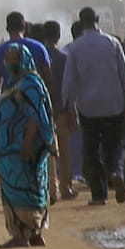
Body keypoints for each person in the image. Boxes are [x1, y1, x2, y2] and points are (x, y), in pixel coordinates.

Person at [62, 7, 125, 206]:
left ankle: (99, 195)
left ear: (81, 21)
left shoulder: (75, 48)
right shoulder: (113, 43)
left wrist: (69, 107)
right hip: (114, 105)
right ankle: (115, 172)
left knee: (91, 150)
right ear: (97, 20)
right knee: (116, 145)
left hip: (88, 108)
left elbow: (69, 82)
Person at [0, 45, 56, 248]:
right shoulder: (16, 82)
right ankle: (33, 232)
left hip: (23, 148)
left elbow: (37, 116)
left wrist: (27, 142)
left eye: (13, 59)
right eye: (7, 59)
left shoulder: (30, 83)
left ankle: (23, 234)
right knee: (29, 187)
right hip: (12, 149)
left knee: (25, 188)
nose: (10, 63)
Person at [0, 11, 53, 133]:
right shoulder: (39, 48)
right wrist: (52, 108)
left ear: (7, 28)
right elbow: (49, 80)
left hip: (10, 107)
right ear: (24, 27)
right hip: (35, 105)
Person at [41, 21, 77, 202]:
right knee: (64, 149)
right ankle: (66, 187)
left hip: (42, 110)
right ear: (58, 36)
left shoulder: (38, 56)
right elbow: (69, 87)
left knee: (46, 150)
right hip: (61, 108)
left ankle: (49, 188)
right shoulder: (64, 57)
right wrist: (73, 110)